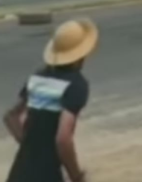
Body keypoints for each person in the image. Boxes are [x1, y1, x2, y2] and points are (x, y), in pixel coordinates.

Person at [3, 19, 99, 182]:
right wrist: (77, 176)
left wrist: (29, 146)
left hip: (19, 171)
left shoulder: (38, 76)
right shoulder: (76, 85)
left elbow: (11, 117)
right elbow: (63, 139)